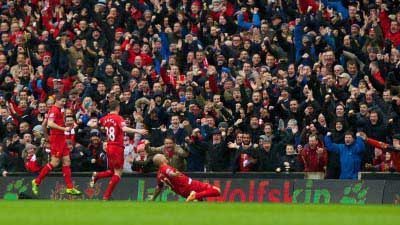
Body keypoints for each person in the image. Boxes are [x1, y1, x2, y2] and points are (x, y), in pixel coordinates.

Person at [89, 100, 148, 200]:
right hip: (117, 147)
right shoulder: (118, 118)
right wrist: (138, 131)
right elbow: (124, 129)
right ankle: (106, 196)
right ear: (117, 108)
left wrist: (99, 127)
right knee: (118, 173)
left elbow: (92, 124)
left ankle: (97, 175)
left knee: (112, 171)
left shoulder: (105, 118)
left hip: (109, 146)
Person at [31, 94, 81, 195]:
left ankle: (70, 187)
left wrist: (46, 136)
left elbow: (44, 124)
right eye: (62, 101)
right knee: (55, 163)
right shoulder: (54, 110)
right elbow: (49, 124)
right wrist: (63, 129)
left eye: (64, 101)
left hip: (61, 138)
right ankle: (36, 181)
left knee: (67, 161)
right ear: (57, 100)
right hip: (57, 139)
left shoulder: (59, 110)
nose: (64, 103)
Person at [151, 154, 221, 202]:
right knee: (217, 191)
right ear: (162, 160)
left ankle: (195, 197)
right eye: (164, 157)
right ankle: (195, 195)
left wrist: (153, 199)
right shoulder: (165, 167)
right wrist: (174, 174)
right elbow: (169, 173)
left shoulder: (159, 175)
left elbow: (159, 187)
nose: (165, 157)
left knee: (201, 202)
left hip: (182, 192)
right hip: (190, 185)